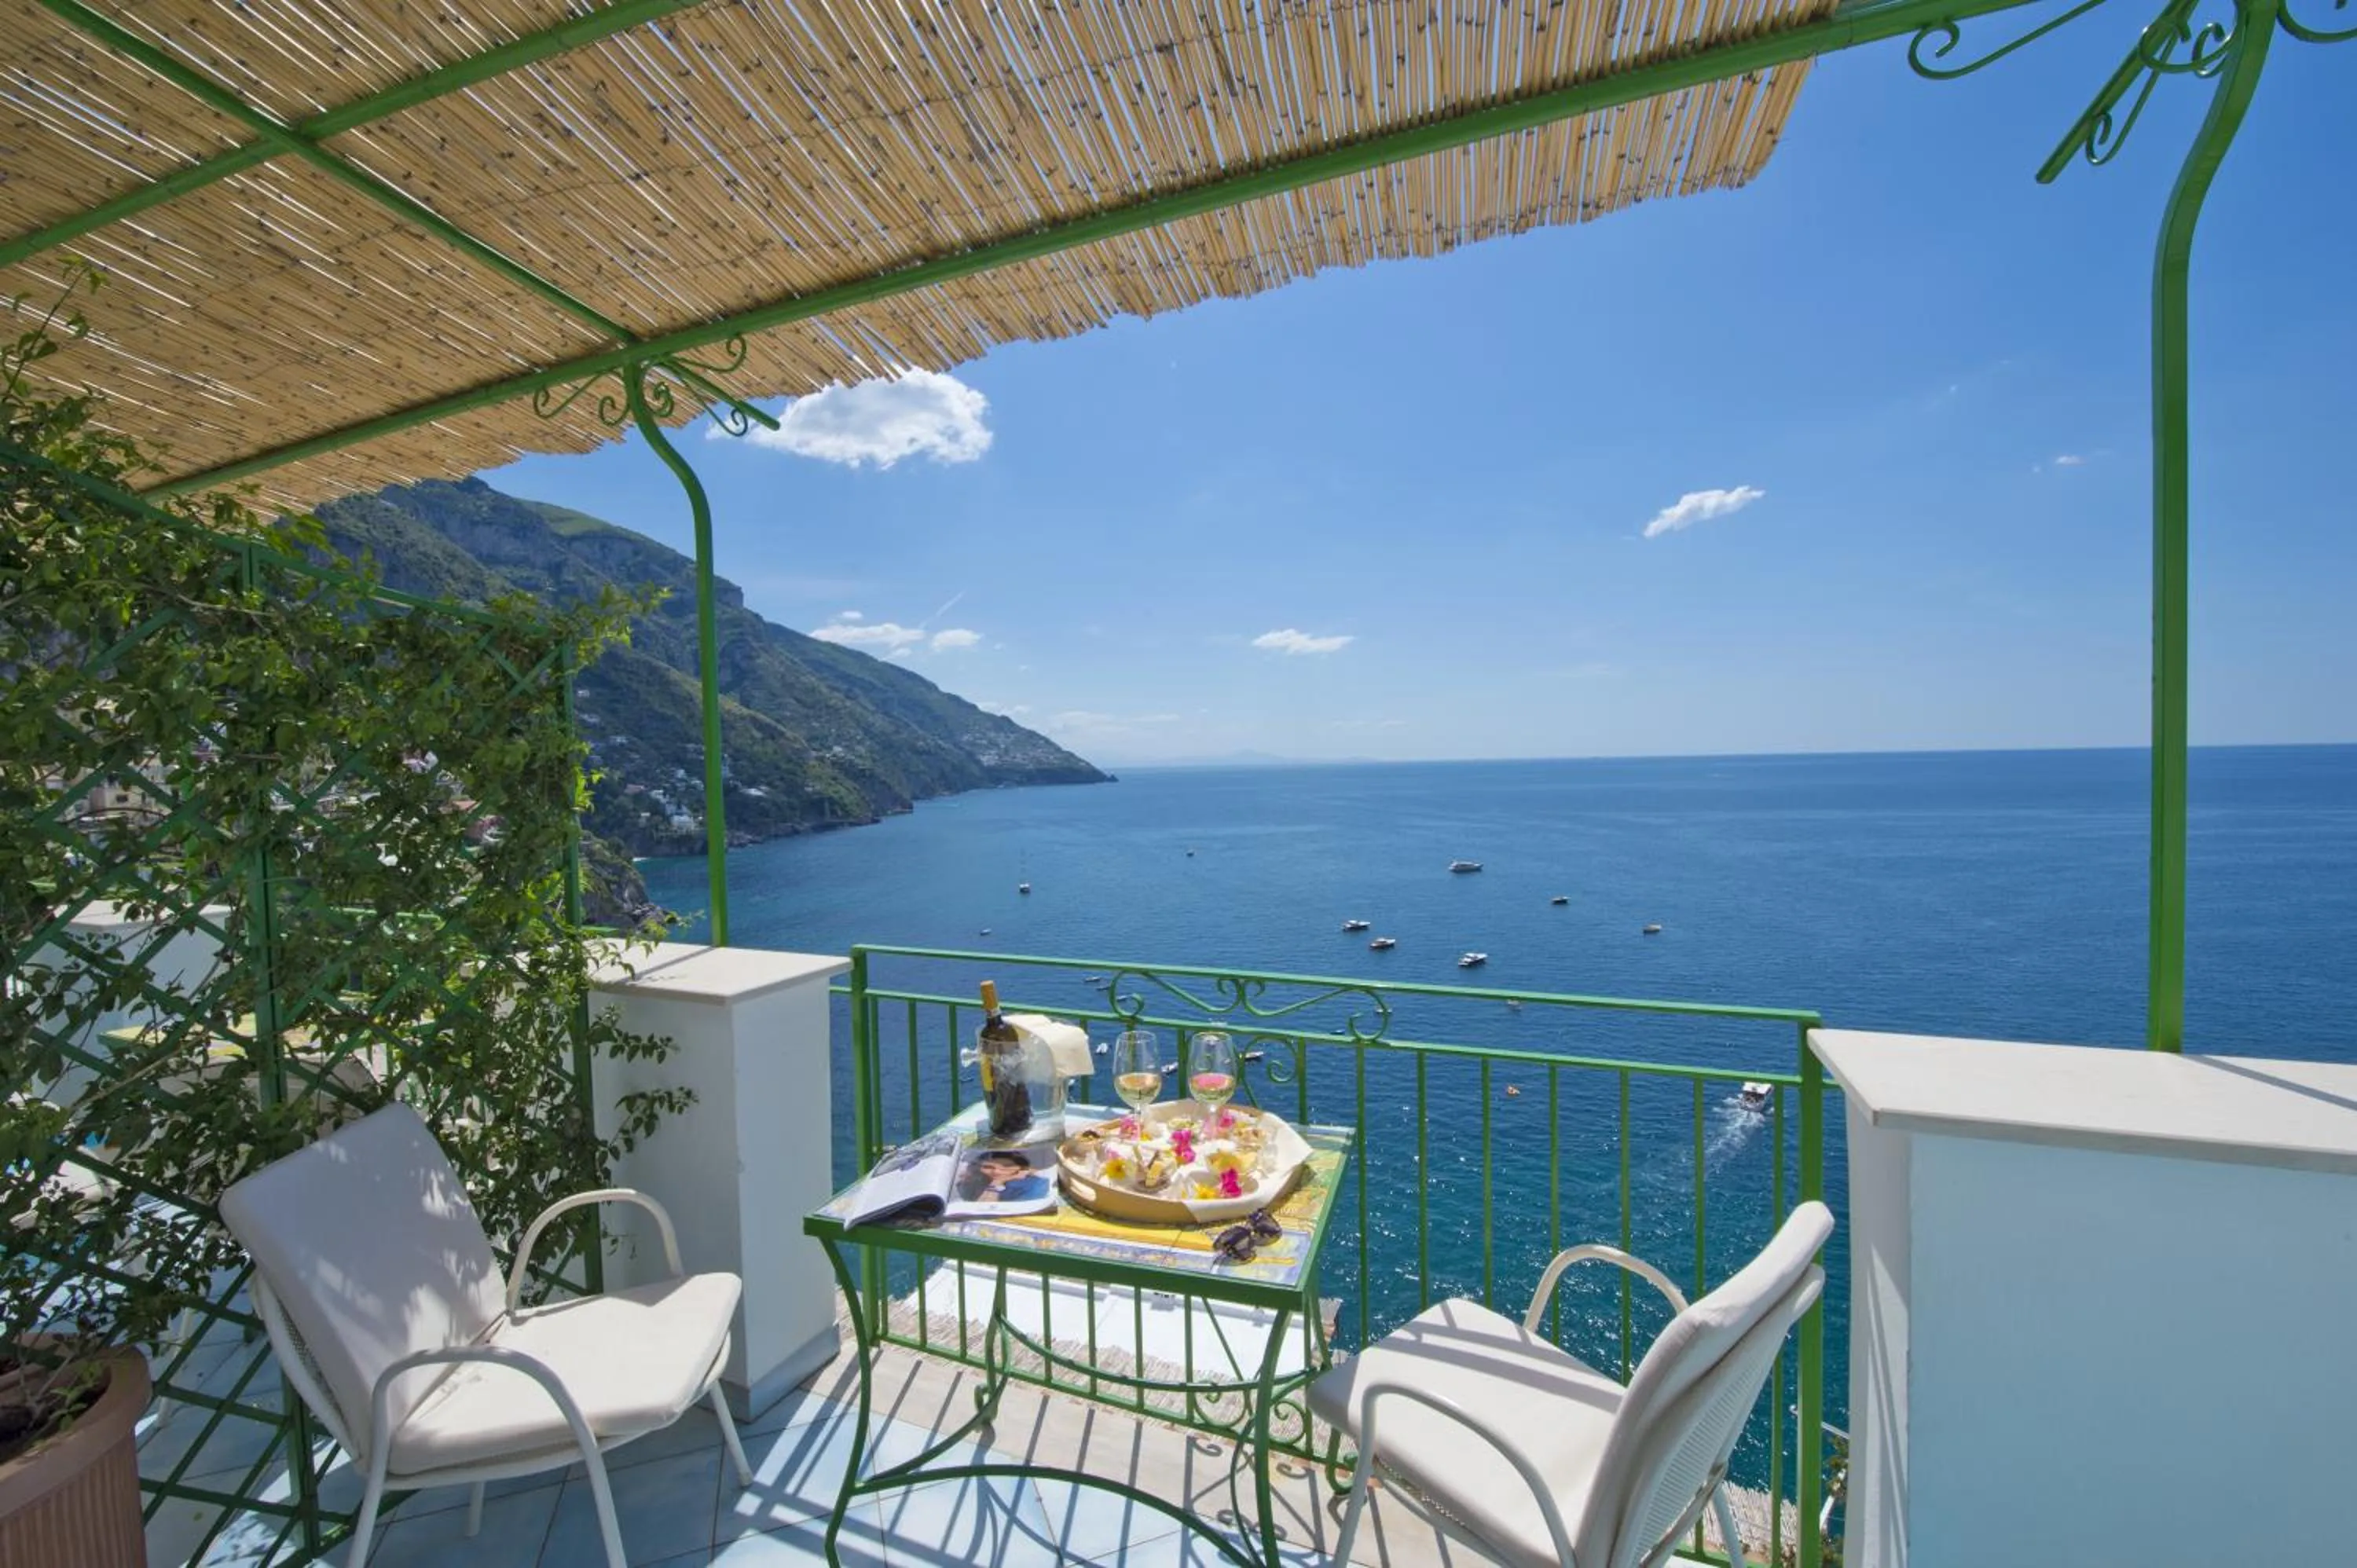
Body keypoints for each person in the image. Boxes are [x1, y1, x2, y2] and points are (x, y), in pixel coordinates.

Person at [960, 1149, 1048, 1204]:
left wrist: (997, 1183)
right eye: (988, 1167)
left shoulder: (1035, 1185)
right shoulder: (978, 1180)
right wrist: (999, 1181)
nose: (997, 1172)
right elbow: (976, 1209)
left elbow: (986, 1210)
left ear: (1022, 1168)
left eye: (1006, 1166)